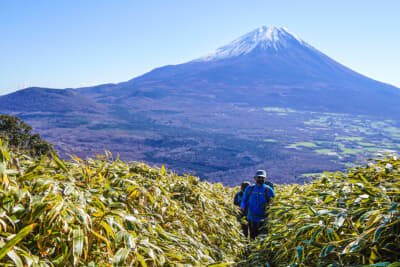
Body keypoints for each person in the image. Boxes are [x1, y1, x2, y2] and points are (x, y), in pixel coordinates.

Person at [240, 170, 274, 239]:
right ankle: (252, 248)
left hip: (264, 219)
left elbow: (273, 203)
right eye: (259, 177)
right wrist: (242, 206)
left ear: (265, 179)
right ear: (255, 178)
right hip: (251, 218)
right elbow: (244, 199)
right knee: (252, 236)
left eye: (262, 178)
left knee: (262, 238)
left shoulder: (269, 190)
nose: (260, 179)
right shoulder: (249, 189)